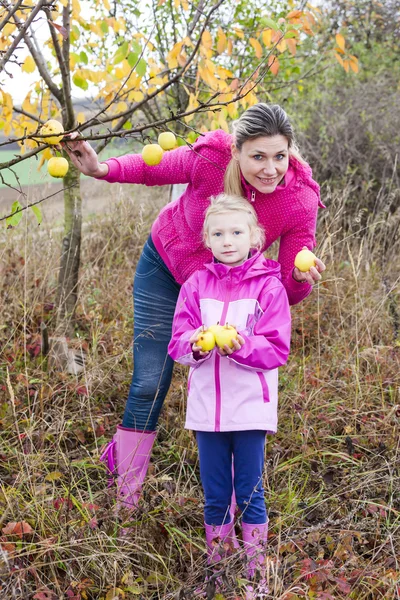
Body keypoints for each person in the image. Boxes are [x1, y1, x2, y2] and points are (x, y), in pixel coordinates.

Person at [62, 103, 326, 511]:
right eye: (258, 157)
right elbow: (154, 167)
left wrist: (299, 276)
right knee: (150, 380)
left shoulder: (299, 200)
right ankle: (125, 500)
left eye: (280, 156)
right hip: (165, 267)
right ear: (237, 152)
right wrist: (102, 169)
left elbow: (287, 290)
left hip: (219, 291)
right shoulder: (213, 158)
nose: (270, 168)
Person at [167, 193, 292, 598]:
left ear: (254, 236)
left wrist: (239, 345)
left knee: (250, 491)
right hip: (207, 412)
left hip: (250, 411)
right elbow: (177, 343)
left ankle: (254, 574)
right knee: (216, 494)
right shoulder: (195, 285)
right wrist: (199, 344)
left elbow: (276, 348)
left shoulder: (269, 288)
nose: (227, 240)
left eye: (236, 231)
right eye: (218, 233)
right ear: (207, 238)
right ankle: (219, 569)